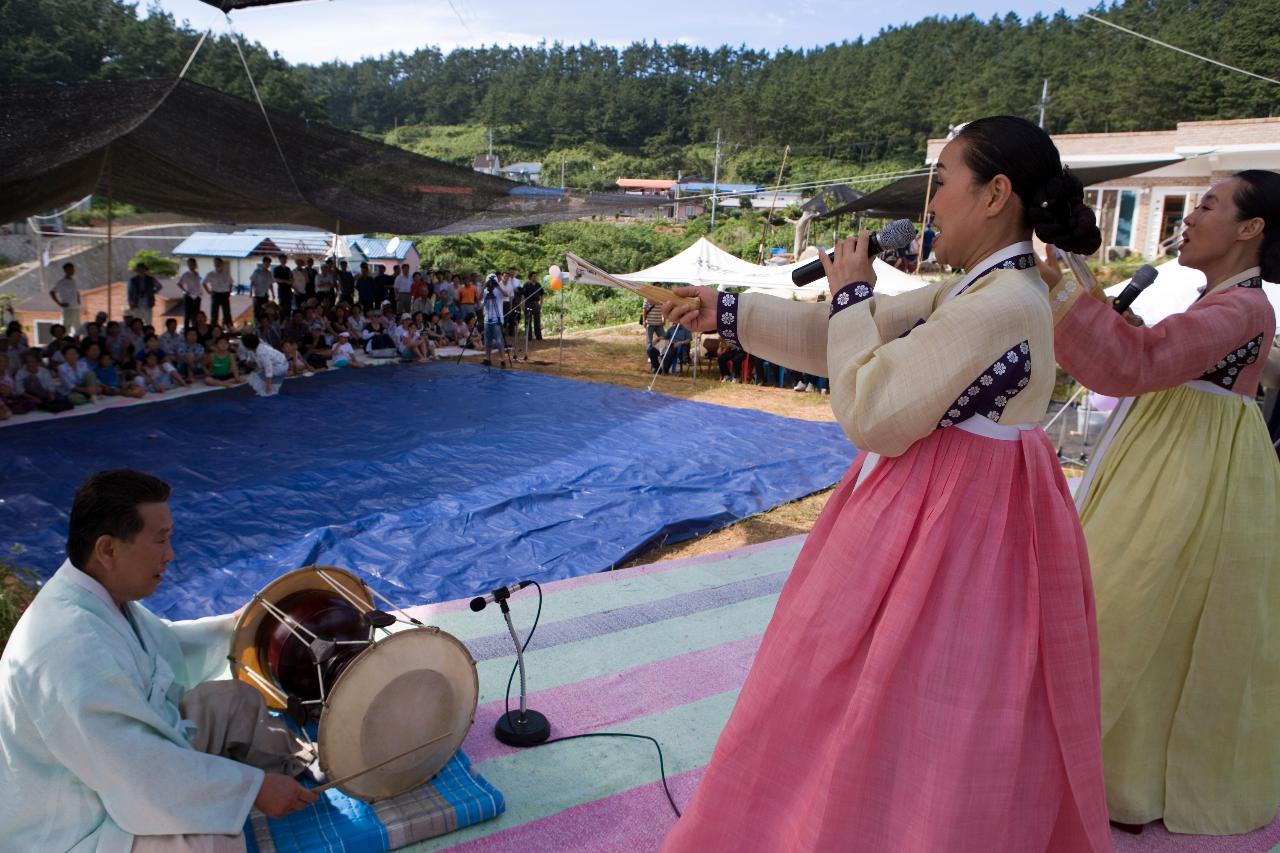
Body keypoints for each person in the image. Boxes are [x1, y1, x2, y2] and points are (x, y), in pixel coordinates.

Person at [659, 115, 1111, 852]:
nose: (930, 205)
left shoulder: (1000, 304)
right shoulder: (982, 290)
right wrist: (728, 311)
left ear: (995, 194)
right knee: (899, 696)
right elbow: (853, 340)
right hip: (957, 509)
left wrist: (850, 292)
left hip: (955, 524)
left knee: (904, 696)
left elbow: (870, 406)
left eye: (941, 184)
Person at [1046, 169, 1280, 835]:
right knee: (1149, 610)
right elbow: (1154, 355)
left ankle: (1127, 774)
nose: (1190, 217)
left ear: (1250, 228)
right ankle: (1126, 770)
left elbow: (1137, 362)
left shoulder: (1246, 308)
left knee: (1137, 602)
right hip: (1172, 455)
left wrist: (1071, 292)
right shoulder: (1224, 303)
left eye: (1206, 204)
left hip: (1191, 468)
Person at [0, 470, 317, 852]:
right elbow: (137, 774)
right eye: (161, 540)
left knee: (233, 699)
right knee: (207, 836)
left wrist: (236, 625)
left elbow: (163, 645)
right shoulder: (68, 649)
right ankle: (257, 789)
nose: (170, 554)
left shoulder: (93, 596)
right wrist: (250, 791)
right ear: (108, 549)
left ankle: (297, 770)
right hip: (78, 820)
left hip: (130, 766)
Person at [240, 332, 288, 397]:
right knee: (256, 370)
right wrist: (249, 362)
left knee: (255, 377)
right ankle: (268, 386)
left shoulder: (262, 352)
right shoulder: (256, 347)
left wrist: (269, 385)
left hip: (280, 366)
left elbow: (268, 368)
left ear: (247, 346)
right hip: (279, 363)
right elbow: (251, 357)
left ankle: (269, 387)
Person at [481, 276, 509, 367]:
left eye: (492, 283)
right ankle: (487, 358)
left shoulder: (499, 291)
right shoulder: (485, 291)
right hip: (487, 319)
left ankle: (502, 359)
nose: (491, 285)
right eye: (489, 282)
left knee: (499, 340)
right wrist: (484, 286)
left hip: (497, 319)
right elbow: (478, 298)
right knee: (487, 340)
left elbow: (506, 295)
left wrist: (498, 287)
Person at [50, 261, 82, 334]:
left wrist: (79, 302)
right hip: (68, 308)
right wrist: (59, 303)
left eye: (72, 269)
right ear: (65, 271)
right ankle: (65, 343)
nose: (72, 271)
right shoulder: (61, 282)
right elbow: (52, 292)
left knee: (78, 328)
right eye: (69, 269)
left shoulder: (74, 281)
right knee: (66, 329)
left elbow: (76, 292)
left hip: (76, 308)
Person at [204, 257, 234, 328]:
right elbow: (204, 283)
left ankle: (229, 327)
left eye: (218, 263)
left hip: (225, 294)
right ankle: (213, 328)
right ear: (214, 264)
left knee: (227, 312)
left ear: (222, 263)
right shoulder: (210, 274)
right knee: (214, 313)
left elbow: (231, 282)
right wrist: (208, 291)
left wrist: (229, 291)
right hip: (216, 294)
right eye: (215, 263)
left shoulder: (226, 273)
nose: (217, 264)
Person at [177, 257, 203, 330]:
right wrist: (185, 291)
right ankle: (186, 330)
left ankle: (195, 329)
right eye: (190, 264)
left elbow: (199, 285)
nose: (192, 266)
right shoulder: (186, 274)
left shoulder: (197, 274)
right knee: (187, 314)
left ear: (195, 265)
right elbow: (179, 284)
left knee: (196, 315)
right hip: (188, 296)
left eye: (193, 264)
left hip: (197, 296)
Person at [250, 255, 274, 321]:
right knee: (257, 311)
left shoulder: (269, 273)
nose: (268, 264)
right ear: (263, 263)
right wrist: (250, 292)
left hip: (265, 295)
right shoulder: (257, 271)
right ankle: (256, 325)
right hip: (257, 295)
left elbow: (270, 284)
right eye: (266, 263)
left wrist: (273, 293)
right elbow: (252, 282)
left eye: (269, 263)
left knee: (265, 311)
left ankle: (264, 324)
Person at [523, 270, 544, 340]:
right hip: (528, 303)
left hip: (536, 304)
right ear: (530, 277)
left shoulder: (538, 285)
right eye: (533, 276)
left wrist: (541, 304)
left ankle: (538, 337)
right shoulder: (526, 285)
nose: (535, 277)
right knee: (528, 321)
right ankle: (528, 337)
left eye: (536, 276)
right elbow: (523, 296)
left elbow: (542, 295)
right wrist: (523, 305)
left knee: (537, 321)